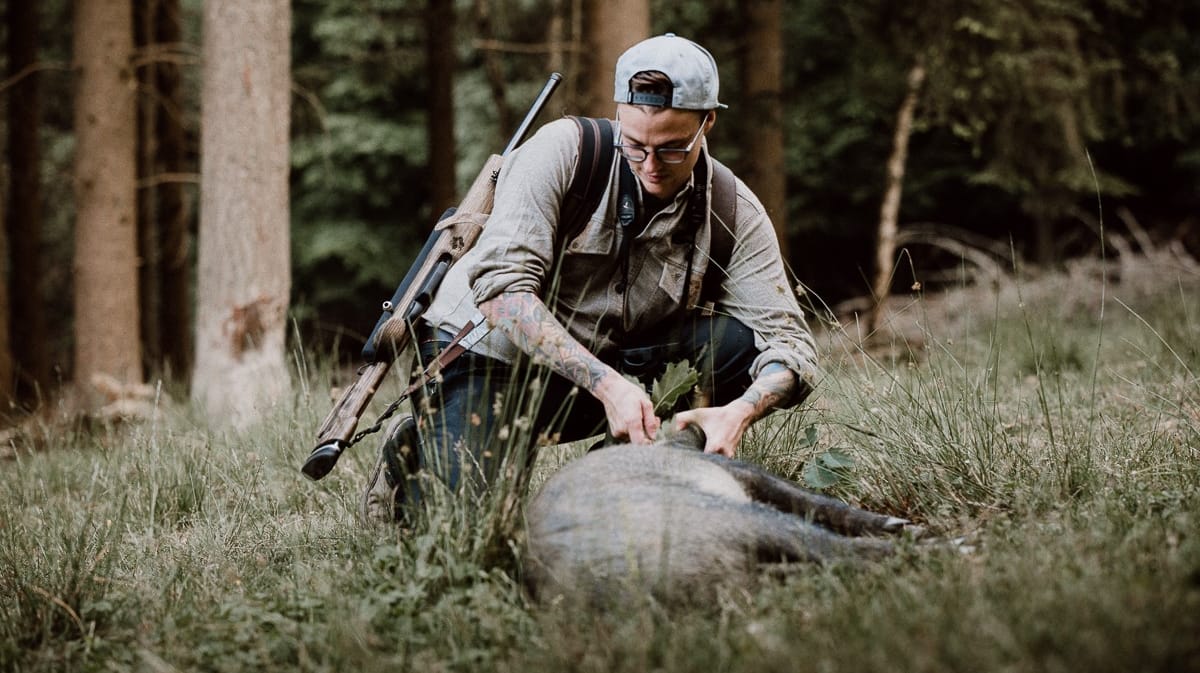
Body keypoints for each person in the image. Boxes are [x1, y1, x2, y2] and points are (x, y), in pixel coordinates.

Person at [364, 33, 818, 520]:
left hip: (602, 363)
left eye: (671, 149)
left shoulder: (732, 209)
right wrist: (608, 386)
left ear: (708, 121)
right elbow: (502, 293)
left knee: (735, 346)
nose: (649, 166)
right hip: (484, 356)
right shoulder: (561, 152)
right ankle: (413, 449)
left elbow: (789, 341)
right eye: (636, 146)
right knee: (471, 530)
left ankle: (621, 471)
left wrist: (742, 410)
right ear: (619, 111)